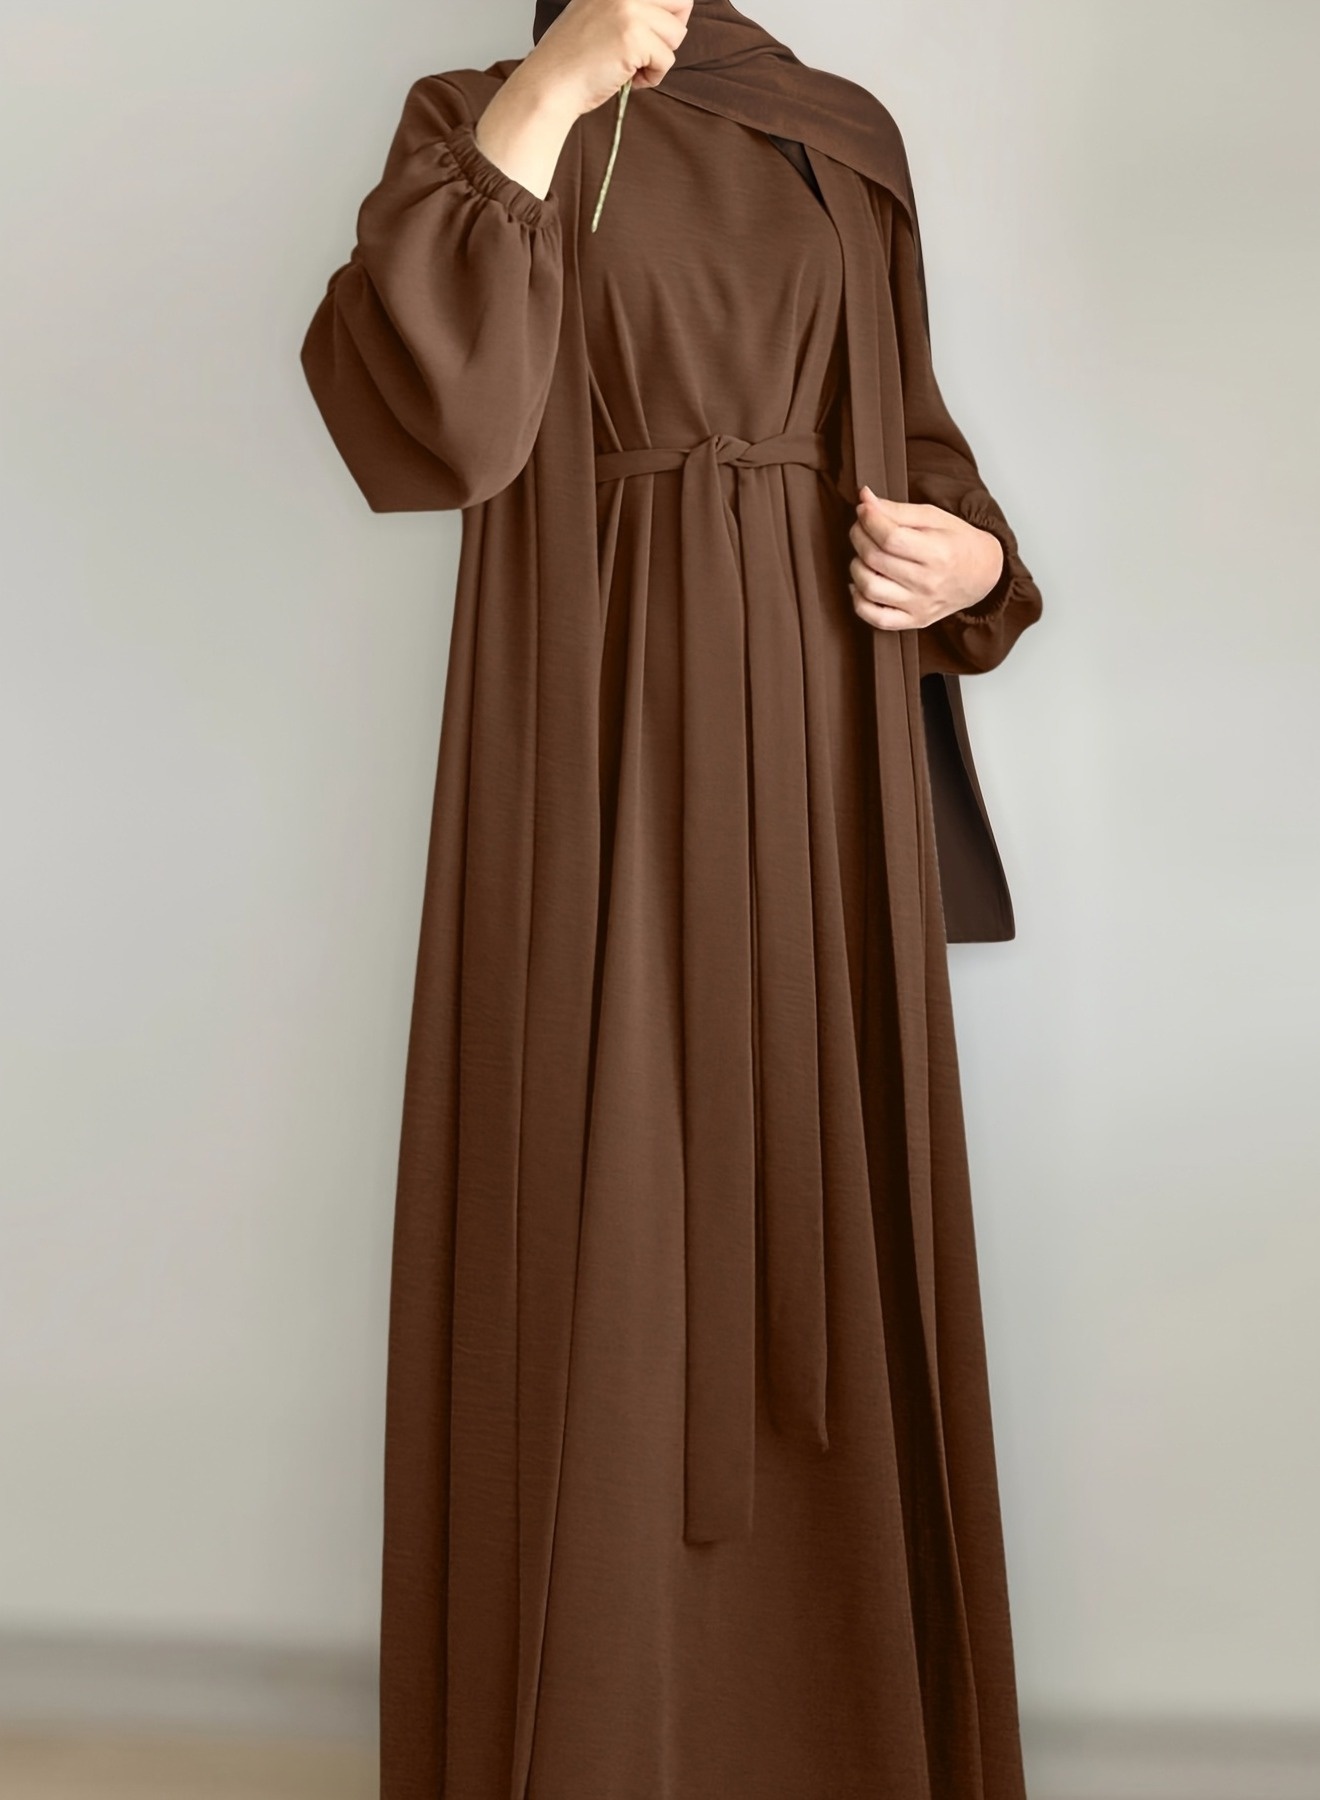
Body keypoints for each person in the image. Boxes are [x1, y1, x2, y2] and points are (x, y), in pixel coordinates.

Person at [300, 2, 1044, 1794]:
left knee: (821, 1181)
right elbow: (443, 427)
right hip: (592, 725)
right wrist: (554, 84)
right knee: (597, 1200)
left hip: (820, 742)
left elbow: (907, 434)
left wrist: (977, 560)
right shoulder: (474, 117)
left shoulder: (832, 127)